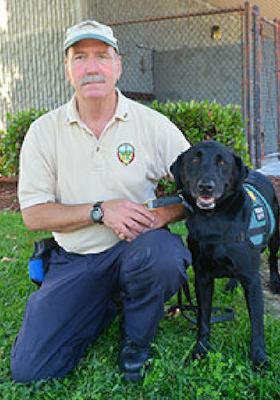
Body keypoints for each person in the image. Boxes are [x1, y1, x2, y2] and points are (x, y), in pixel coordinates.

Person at [12, 20, 191, 382]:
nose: (91, 67)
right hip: (74, 260)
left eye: (101, 56)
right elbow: (33, 214)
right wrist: (100, 211)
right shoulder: (44, 132)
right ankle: (107, 302)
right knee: (31, 371)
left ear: (118, 65)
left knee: (163, 255)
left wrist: (163, 215)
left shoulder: (152, 125)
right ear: (67, 70)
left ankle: (136, 341)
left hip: (136, 248)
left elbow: (204, 190)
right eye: (80, 57)